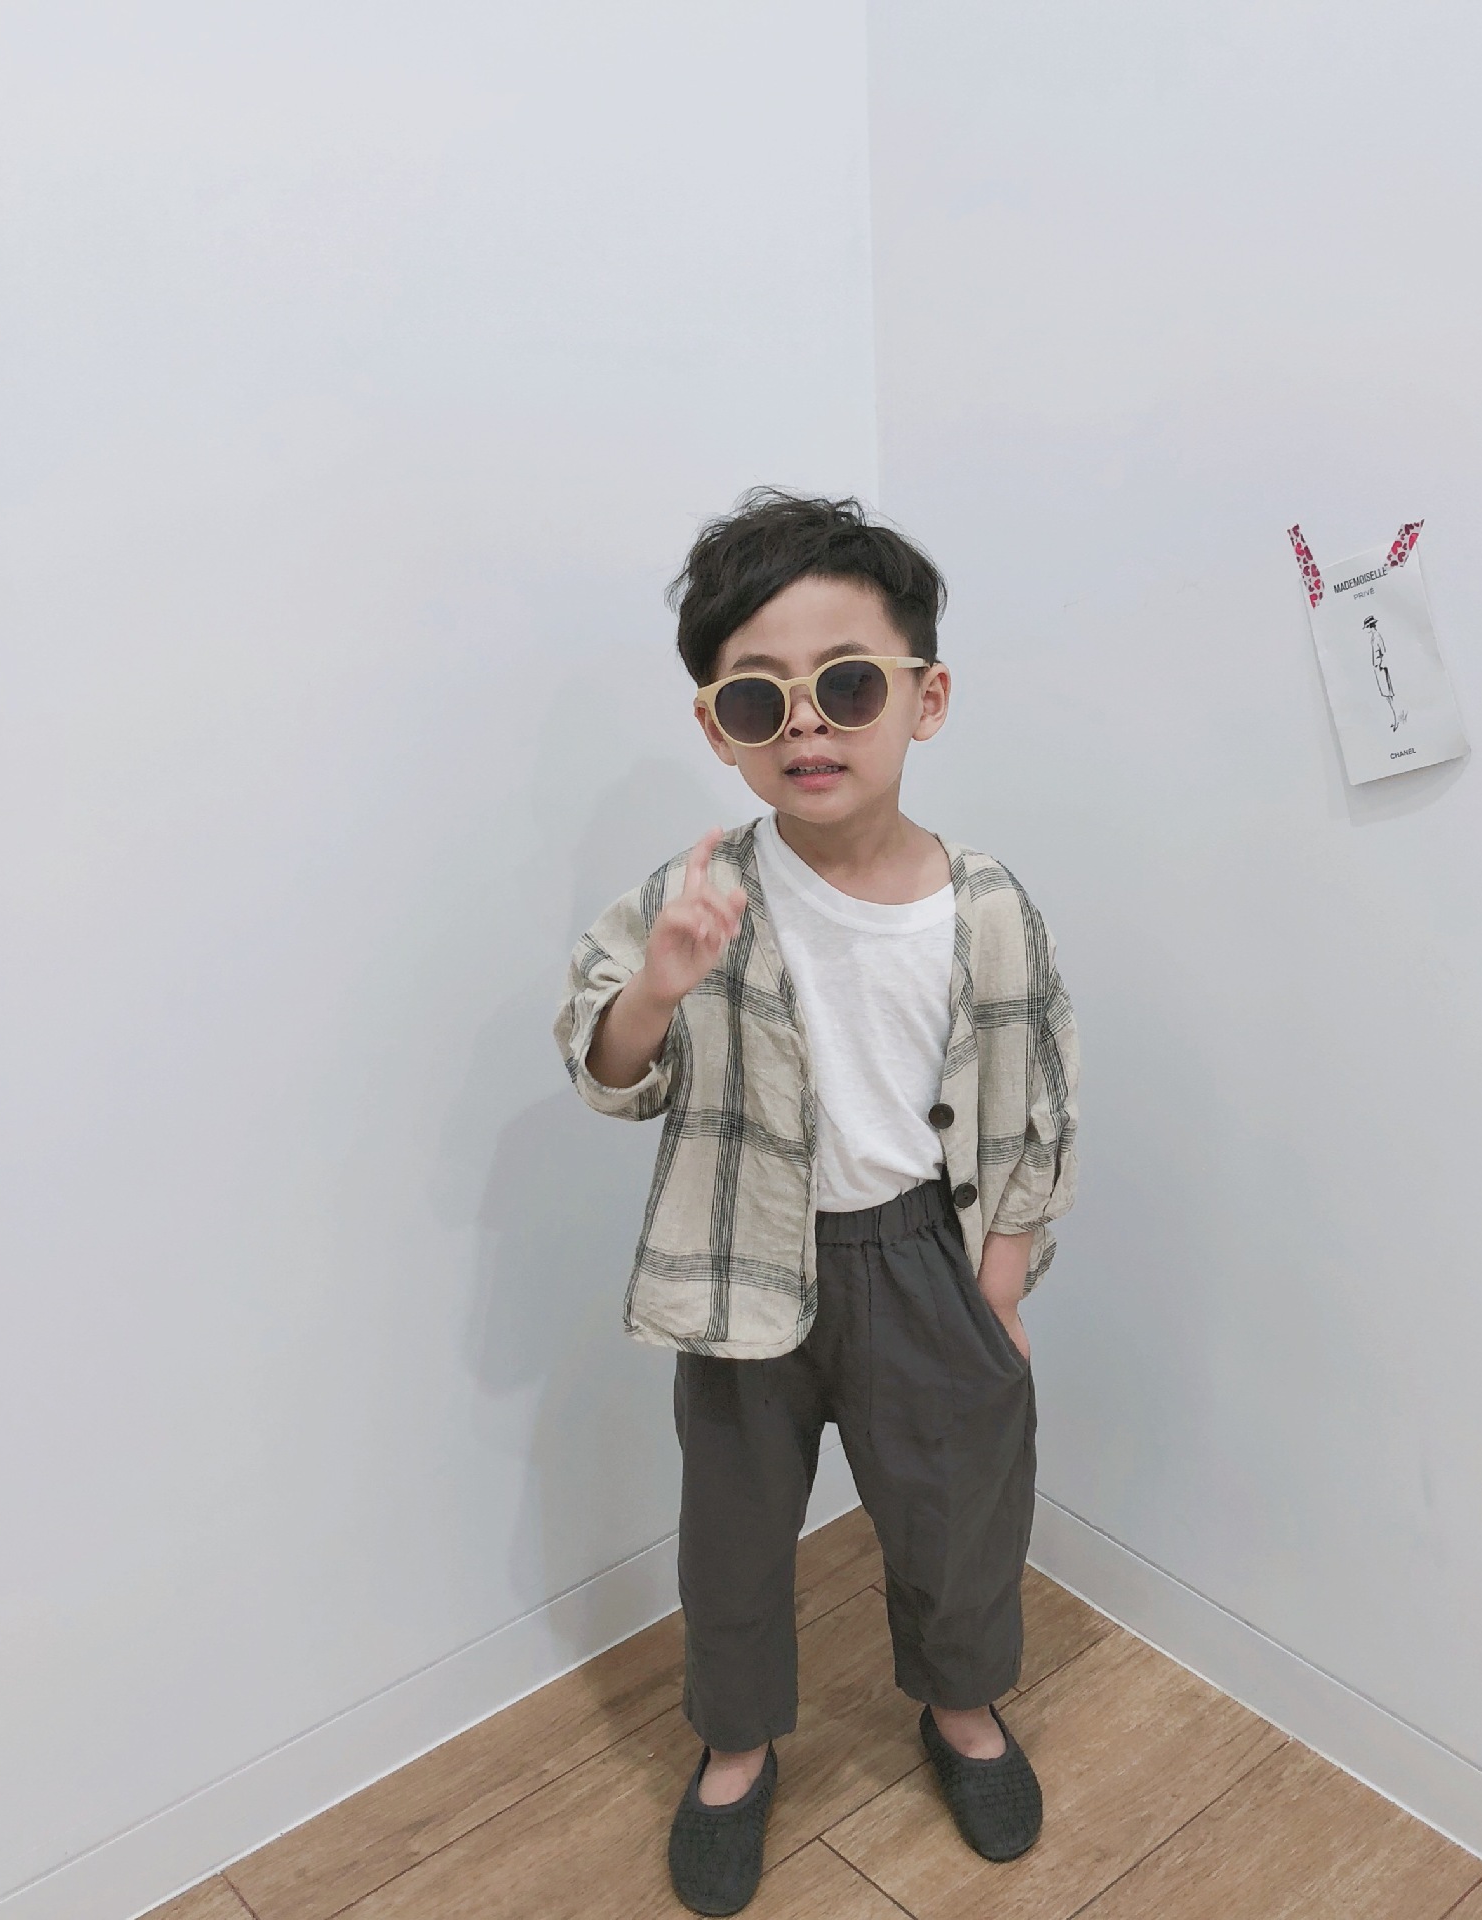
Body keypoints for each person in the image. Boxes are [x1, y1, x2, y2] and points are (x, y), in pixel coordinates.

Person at [553, 489, 1080, 1916]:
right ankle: (735, 1747)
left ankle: (962, 1708)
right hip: (741, 1264)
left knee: (959, 1512)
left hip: (925, 1262)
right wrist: (658, 986)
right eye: (756, 698)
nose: (807, 725)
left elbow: (1037, 1106)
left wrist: (999, 1287)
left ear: (925, 698)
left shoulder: (986, 906)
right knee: (731, 1532)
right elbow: (607, 1068)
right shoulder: (698, 893)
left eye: (847, 684)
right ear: (715, 727)